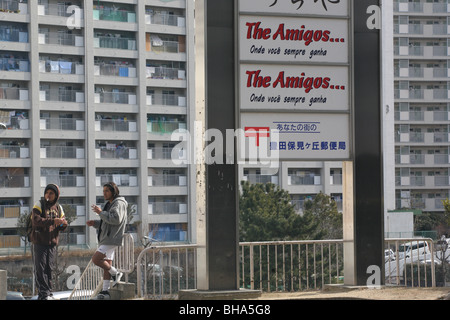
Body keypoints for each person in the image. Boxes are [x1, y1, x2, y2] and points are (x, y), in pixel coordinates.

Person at [87, 182, 127, 300]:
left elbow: (115, 219)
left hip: (111, 238)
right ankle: (105, 292)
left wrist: (100, 212)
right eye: (103, 191)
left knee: (96, 259)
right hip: (107, 237)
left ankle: (115, 273)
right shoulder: (109, 204)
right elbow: (106, 221)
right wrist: (95, 223)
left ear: (113, 192)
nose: (104, 193)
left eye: (107, 191)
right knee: (106, 265)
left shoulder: (118, 203)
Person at [30, 183, 67, 300]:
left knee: (49, 269)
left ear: (56, 195)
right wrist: (53, 221)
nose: (48, 195)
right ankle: (43, 294)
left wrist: (63, 224)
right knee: (40, 269)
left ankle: (49, 293)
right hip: (39, 242)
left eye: (51, 193)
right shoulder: (39, 204)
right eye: (47, 192)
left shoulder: (59, 208)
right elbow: (36, 221)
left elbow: (62, 224)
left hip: (52, 243)